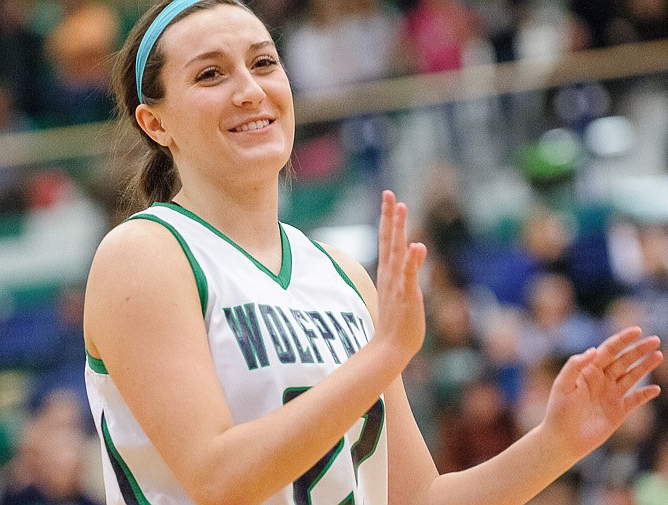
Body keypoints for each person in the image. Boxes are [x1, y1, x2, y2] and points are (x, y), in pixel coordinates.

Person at [82, 1, 664, 504]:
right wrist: (382, 357)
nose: (250, 90)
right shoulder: (145, 254)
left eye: (264, 63)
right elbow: (217, 479)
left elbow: (416, 498)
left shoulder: (340, 276)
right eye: (210, 74)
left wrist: (556, 442)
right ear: (155, 123)